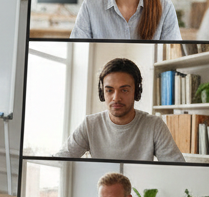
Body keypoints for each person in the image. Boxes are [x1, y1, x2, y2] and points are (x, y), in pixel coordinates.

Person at [55, 57, 185, 162]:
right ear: (102, 93)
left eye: (124, 90)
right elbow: (60, 159)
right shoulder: (90, 124)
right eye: (109, 90)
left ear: (136, 91)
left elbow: (177, 168)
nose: (116, 98)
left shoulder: (154, 125)